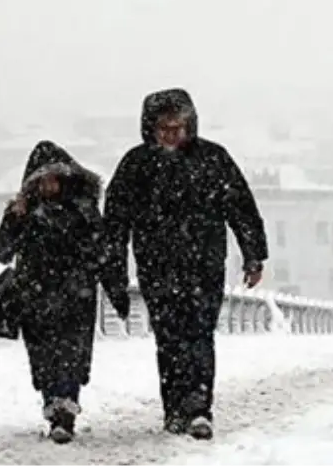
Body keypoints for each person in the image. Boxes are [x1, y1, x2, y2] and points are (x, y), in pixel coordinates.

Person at [101, 88, 268, 441]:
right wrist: (113, 271)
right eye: (164, 128)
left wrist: (254, 255)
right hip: (157, 267)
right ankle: (175, 408)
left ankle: (198, 408)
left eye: (177, 127)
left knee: (200, 335)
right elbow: (115, 223)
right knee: (169, 338)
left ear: (189, 125)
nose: (171, 135)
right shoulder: (136, 165)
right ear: (151, 128)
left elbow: (241, 208)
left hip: (204, 266)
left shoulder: (213, 159)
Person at [0, 140, 129, 444]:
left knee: (71, 355)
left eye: (53, 178)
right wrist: (15, 217)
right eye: (42, 180)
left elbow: (103, 254)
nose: (49, 186)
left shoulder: (84, 211)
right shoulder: (26, 212)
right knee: (43, 357)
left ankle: (64, 411)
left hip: (75, 296)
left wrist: (116, 291)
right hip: (35, 296)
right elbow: (2, 249)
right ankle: (54, 405)